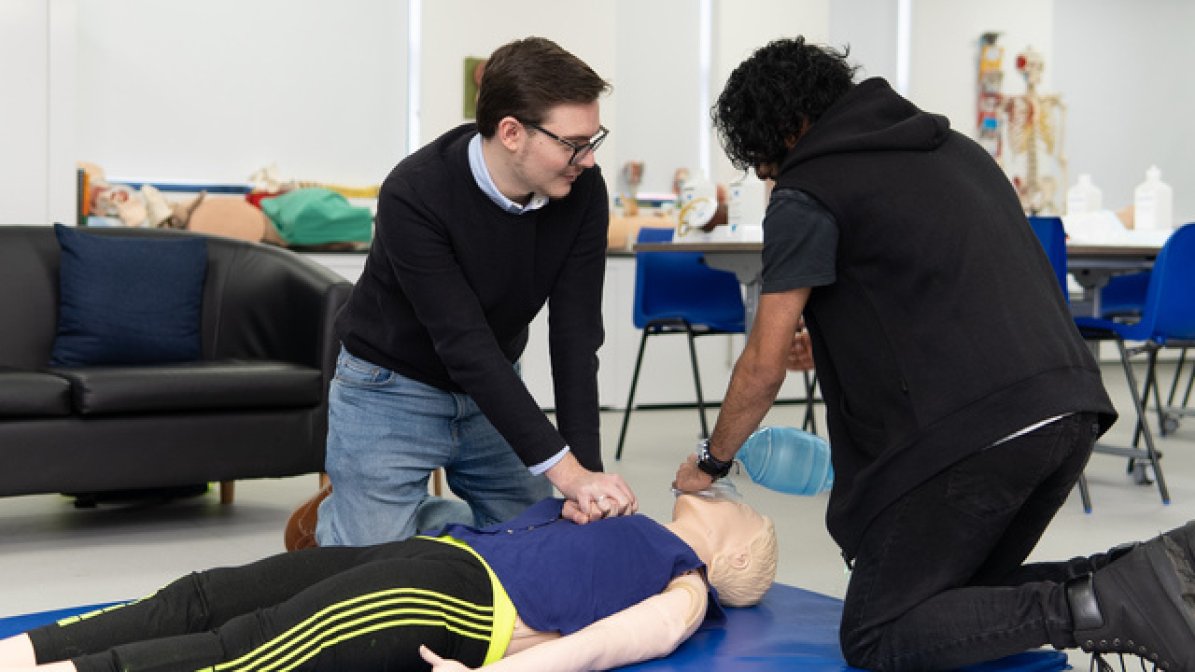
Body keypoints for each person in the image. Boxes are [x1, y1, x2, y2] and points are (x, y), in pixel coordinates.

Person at [672, 37, 1195, 671]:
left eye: (763, 162)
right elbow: (939, 289)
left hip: (978, 434)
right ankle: (1157, 574)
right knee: (951, 599)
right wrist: (837, 342)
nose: (767, 178)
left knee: (876, 632)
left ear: (787, 130)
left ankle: (1096, 604)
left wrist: (711, 459)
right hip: (1069, 409)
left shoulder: (809, 188)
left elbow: (762, 363)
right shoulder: (957, 151)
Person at [317, 36, 637, 548]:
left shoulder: (581, 191)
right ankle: (353, 519)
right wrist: (567, 473)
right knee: (374, 576)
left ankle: (403, 516)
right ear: (512, 133)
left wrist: (586, 481)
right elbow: (463, 342)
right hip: (388, 385)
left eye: (593, 139)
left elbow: (576, 340)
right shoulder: (414, 192)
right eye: (573, 143)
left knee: (546, 543)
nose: (589, 160)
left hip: (492, 388)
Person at [0, 494, 777, 672]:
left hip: (457, 605)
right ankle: (21, 652)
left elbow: (610, 645)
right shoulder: (625, 508)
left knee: (249, 651)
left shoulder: (688, 583)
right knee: (210, 590)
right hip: (427, 556)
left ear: (736, 554)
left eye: (741, 510)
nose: (730, 495)